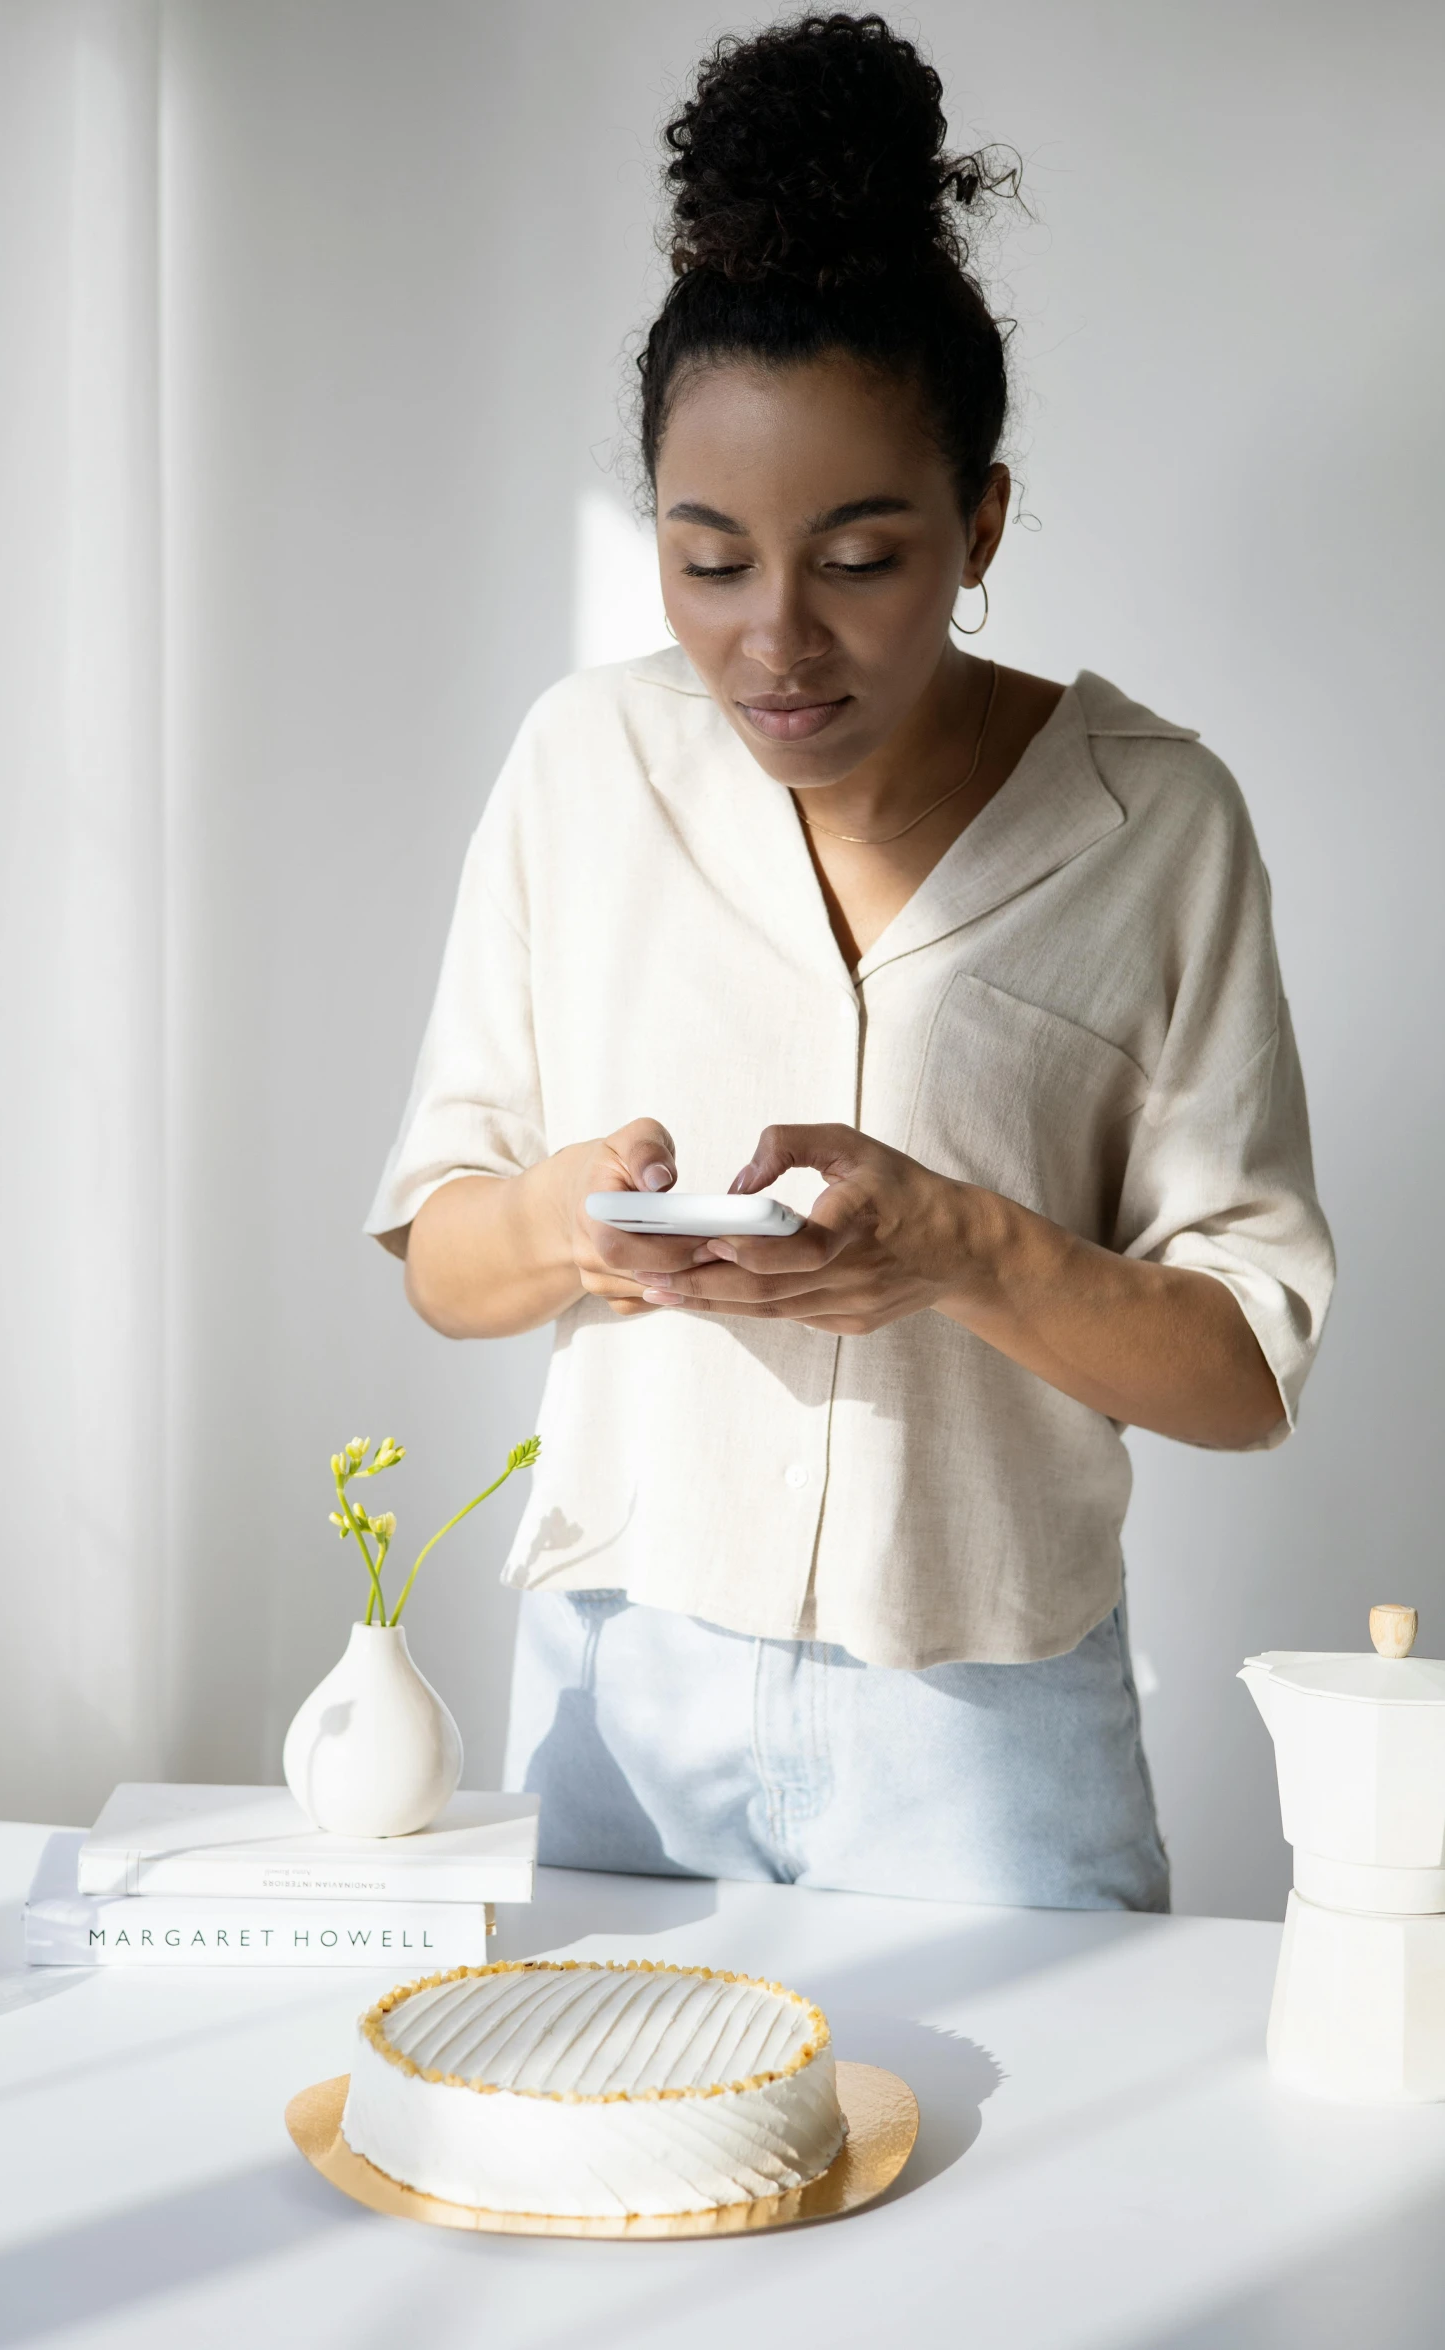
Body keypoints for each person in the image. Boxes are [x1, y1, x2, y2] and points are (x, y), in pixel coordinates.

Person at [365, 13, 1333, 1910]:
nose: (773, 640)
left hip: (989, 1737)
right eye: (707, 558)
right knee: (620, 2176)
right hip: (622, 1692)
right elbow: (440, 1250)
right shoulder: (585, 765)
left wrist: (959, 1247)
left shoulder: (1159, 824)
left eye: (861, 556)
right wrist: (573, 1221)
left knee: (1055, 2205)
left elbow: (1243, 1370)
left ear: (978, 522)